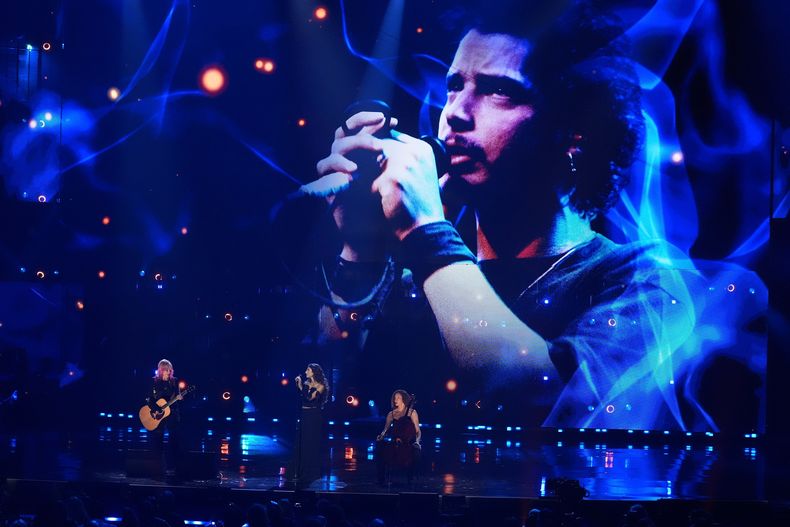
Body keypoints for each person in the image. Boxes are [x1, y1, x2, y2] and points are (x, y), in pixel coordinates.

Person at [312, 0, 702, 430]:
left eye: (499, 91)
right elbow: (327, 386)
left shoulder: (644, 283)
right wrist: (359, 252)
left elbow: (540, 399)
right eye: (454, 86)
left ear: (573, 132)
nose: (456, 114)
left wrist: (425, 232)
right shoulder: (414, 279)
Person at [292, 363, 329, 483]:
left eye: (308, 370)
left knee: (311, 441)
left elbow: (310, 398)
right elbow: (303, 398)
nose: (306, 371)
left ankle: (311, 472)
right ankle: (300, 470)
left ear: (313, 372)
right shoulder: (306, 384)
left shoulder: (320, 385)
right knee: (302, 441)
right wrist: (300, 385)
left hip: (314, 416)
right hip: (304, 415)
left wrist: (299, 386)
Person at [146, 359, 183, 477]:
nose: (166, 371)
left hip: (172, 413)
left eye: (168, 369)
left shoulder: (174, 381)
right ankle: (159, 469)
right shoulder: (154, 382)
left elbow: (176, 397)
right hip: (158, 413)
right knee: (158, 441)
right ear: (160, 370)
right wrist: (155, 409)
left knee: (174, 441)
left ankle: (176, 468)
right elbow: (151, 398)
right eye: (164, 369)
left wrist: (179, 398)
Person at [376, 390, 421, 484]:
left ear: (403, 399)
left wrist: (417, 441)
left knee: (415, 452)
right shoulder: (391, 414)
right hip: (395, 442)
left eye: (398, 398)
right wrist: (381, 436)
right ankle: (381, 479)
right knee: (380, 449)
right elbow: (385, 430)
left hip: (407, 442)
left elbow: (417, 430)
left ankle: (410, 478)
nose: (395, 400)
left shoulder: (412, 412)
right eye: (394, 398)